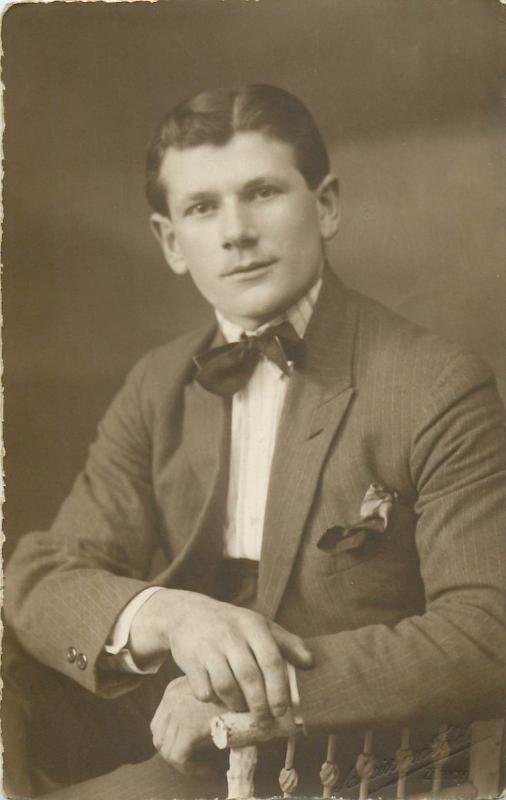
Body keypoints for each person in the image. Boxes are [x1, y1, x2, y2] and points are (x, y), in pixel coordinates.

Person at [4, 84, 506, 800]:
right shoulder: (159, 382)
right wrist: (171, 615)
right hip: (173, 731)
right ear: (172, 242)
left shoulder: (433, 384)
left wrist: (257, 692)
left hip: (349, 755)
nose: (235, 231)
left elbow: (489, 632)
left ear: (326, 205)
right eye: (203, 207)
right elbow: (42, 571)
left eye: (262, 192)